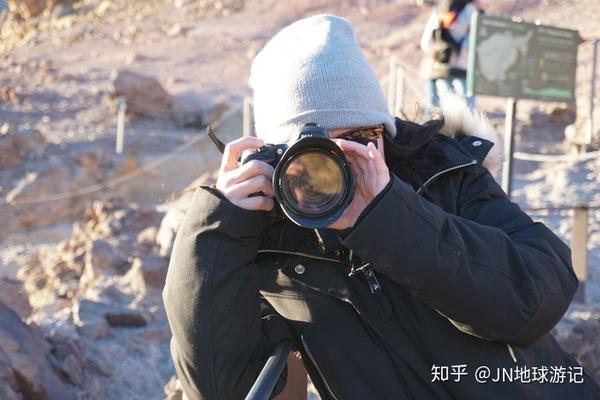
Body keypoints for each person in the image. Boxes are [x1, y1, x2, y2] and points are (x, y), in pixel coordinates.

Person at [163, 14, 600, 400]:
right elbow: (225, 390)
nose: (338, 164)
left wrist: (391, 218)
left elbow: (537, 300)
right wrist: (217, 233)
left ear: (385, 133)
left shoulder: (443, 174)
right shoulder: (268, 241)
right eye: (313, 153)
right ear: (277, 157)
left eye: (358, 139)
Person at [420, 0, 481, 111]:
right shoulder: (472, 11)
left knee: (440, 107)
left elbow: (426, 42)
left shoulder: (441, 9)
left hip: (440, 66)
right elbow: (477, 39)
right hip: (464, 67)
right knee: (467, 107)